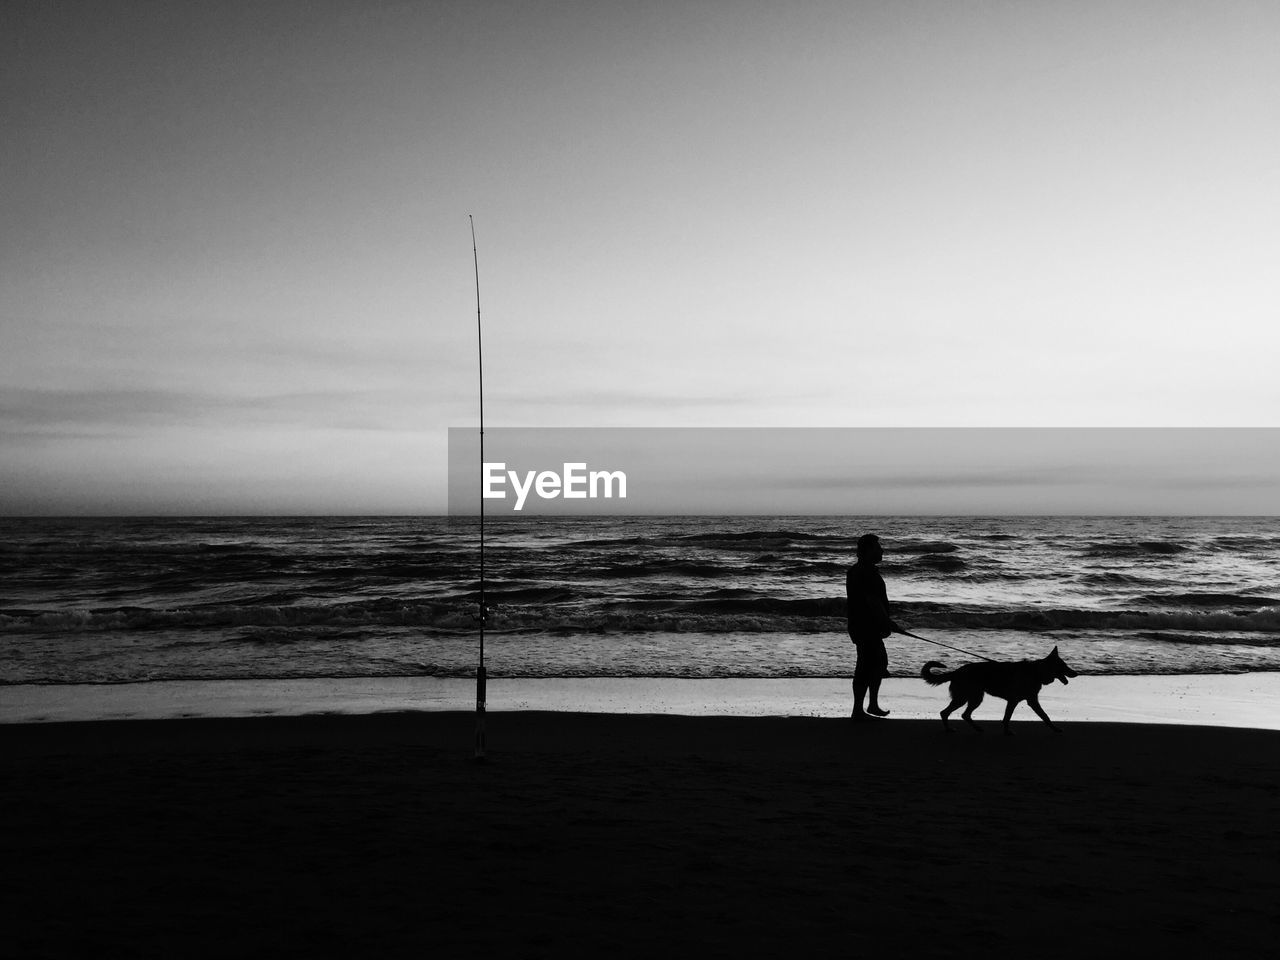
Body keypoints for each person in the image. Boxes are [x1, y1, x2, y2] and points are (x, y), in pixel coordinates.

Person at [846, 533, 900, 720]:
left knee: (878, 664)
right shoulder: (864, 572)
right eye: (878, 548)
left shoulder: (863, 570)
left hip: (868, 626)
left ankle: (872, 705)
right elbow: (872, 602)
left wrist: (884, 621)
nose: (881, 550)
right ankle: (858, 710)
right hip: (865, 626)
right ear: (867, 551)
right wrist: (886, 621)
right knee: (865, 666)